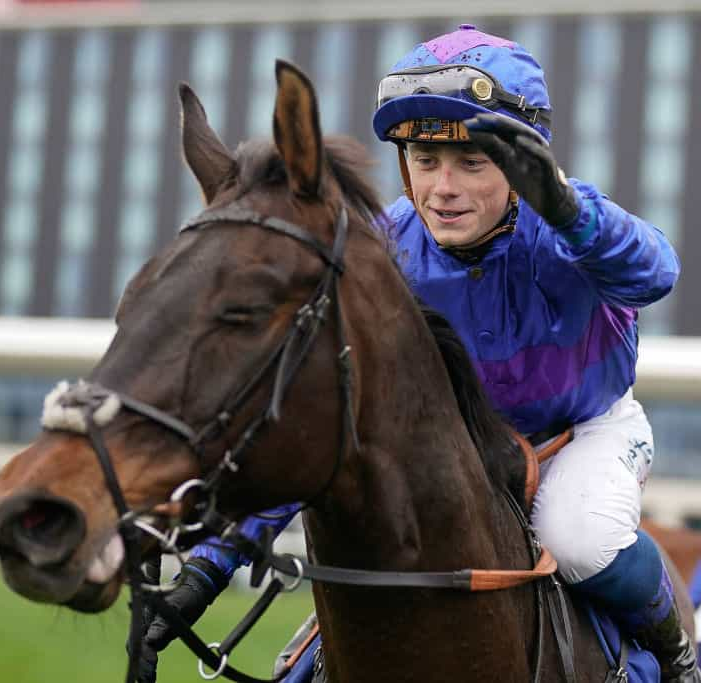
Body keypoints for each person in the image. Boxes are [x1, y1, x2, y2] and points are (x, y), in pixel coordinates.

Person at [133, 25, 691, 682]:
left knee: (580, 535)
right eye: (425, 162)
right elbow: (327, 410)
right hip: (459, 447)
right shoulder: (384, 249)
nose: (443, 188)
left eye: (471, 163)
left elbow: (657, 273)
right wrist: (215, 560)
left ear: (523, 165)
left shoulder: (571, 225)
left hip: (581, 433)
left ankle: (679, 652)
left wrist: (568, 209)